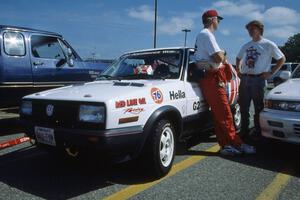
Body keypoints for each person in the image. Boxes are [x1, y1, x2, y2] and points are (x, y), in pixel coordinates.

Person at [194, 9, 256, 156]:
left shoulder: (204, 35)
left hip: (210, 77)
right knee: (225, 113)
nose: (219, 22)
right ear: (211, 20)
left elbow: (217, 57)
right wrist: (223, 53)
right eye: (218, 19)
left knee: (219, 115)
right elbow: (218, 58)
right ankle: (237, 144)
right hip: (211, 78)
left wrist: (221, 54)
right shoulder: (206, 35)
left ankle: (226, 145)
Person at [236, 20, 285, 139]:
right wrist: (238, 70)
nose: (250, 31)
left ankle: (258, 131)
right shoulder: (246, 45)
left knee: (258, 108)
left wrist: (271, 73)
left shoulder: (268, 44)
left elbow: (282, 58)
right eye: (249, 29)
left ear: (259, 29)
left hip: (259, 79)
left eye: (253, 29)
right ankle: (244, 130)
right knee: (243, 107)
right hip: (245, 78)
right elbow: (238, 58)